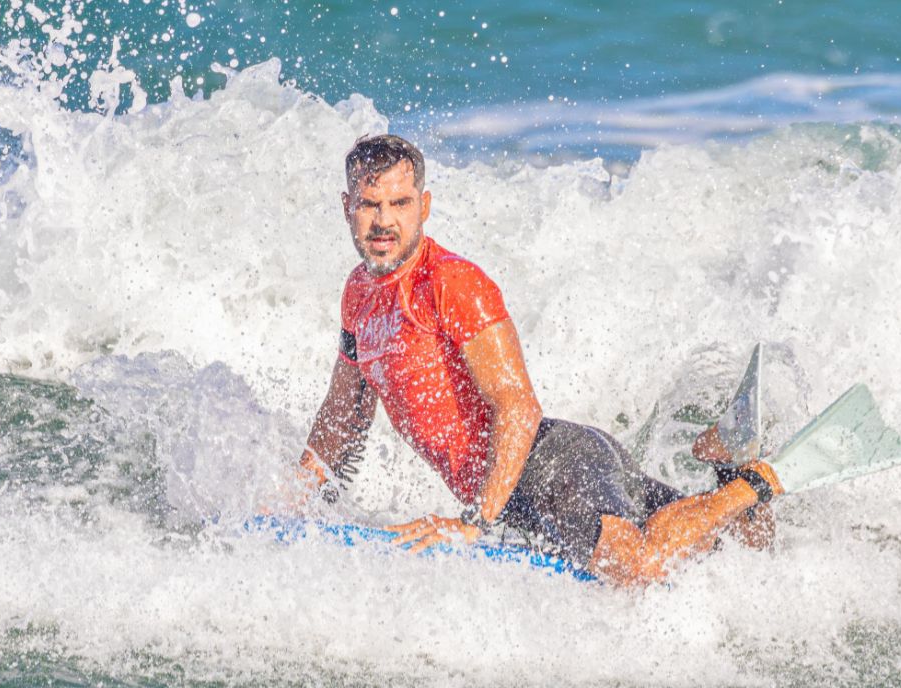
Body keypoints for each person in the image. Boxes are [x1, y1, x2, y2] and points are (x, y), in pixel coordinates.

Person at [294, 134, 781, 586]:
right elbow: (344, 415)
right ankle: (725, 464)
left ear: (424, 206)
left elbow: (517, 404)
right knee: (736, 550)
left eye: (400, 203)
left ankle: (759, 482)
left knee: (635, 567)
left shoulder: (450, 282)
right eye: (369, 205)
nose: (384, 221)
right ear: (347, 207)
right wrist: (295, 502)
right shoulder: (359, 295)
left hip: (552, 467)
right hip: (524, 493)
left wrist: (475, 522)